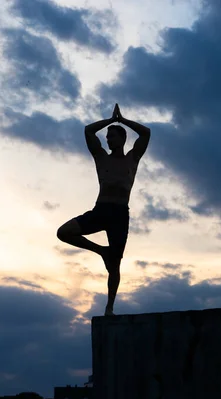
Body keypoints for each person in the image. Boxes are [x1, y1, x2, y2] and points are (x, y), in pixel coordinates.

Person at [56, 103, 150, 316]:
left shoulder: (132, 158)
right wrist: (110, 120)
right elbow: (88, 130)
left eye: (112, 137)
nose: (108, 140)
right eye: (107, 137)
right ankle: (102, 251)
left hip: (120, 214)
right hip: (101, 210)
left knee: (115, 264)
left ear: (122, 139)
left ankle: (109, 308)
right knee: (63, 232)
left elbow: (146, 132)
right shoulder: (101, 157)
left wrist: (122, 120)